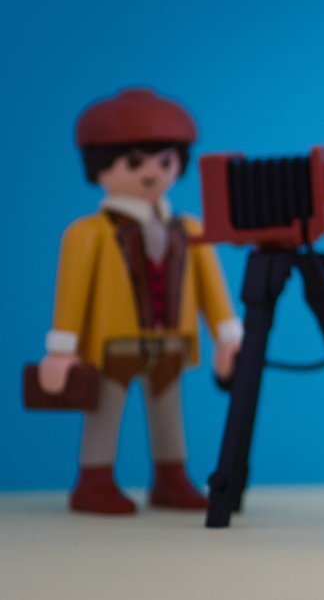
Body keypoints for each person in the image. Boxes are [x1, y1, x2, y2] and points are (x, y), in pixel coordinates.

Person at [38, 88, 242, 515]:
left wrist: (228, 337)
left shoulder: (188, 229)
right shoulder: (87, 233)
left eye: (164, 161)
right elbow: (71, 293)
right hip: (114, 346)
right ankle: (94, 480)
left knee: (169, 412)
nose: (151, 173)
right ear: (100, 166)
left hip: (171, 342)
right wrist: (60, 350)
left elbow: (212, 289)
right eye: (134, 163)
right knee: (105, 410)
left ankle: (171, 476)